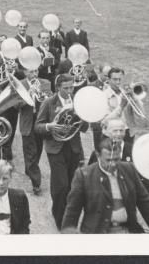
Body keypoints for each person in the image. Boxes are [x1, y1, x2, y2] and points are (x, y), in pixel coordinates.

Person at [61, 137, 149, 234]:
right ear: (98, 156)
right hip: (97, 234)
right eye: (108, 160)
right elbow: (72, 213)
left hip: (128, 231)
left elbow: (146, 205)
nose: (113, 164)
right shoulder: (84, 176)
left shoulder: (129, 169)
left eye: (116, 159)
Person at [34, 74, 89, 229]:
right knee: (61, 186)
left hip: (74, 148)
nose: (69, 91)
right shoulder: (49, 102)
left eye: (71, 87)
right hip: (56, 149)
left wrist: (83, 116)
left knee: (73, 185)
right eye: (66, 88)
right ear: (58, 87)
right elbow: (37, 127)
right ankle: (60, 220)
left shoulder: (77, 102)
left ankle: (69, 217)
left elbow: (84, 129)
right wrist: (50, 126)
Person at [88, 118, 149, 201]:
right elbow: (90, 179)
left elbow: (145, 178)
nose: (118, 134)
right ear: (107, 132)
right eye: (115, 131)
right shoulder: (98, 153)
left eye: (121, 131)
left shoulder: (135, 152)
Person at [18, 68, 52, 195]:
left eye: (36, 71)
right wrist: (28, 94)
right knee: (30, 152)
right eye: (31, 72)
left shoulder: (45, 82)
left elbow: (50, 100)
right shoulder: (20, 84)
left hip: (40, 121)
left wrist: (44, 96)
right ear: (25, 72)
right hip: (27, 121)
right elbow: (16, 105)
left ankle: (30, 168)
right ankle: (36, 183)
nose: (35, 74)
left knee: (38, 149)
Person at [102, 67, 145, 145]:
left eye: (120, 79)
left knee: (127, 156)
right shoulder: (103, 96)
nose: (118, 82)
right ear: (108, 80)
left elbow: (141, 114)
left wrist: (135, 98)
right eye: (115, 79)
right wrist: (121, 106)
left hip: (128, 132)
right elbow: (105, 121)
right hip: (111, 133)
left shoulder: (127, 93)